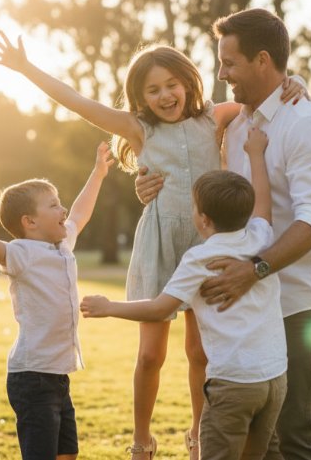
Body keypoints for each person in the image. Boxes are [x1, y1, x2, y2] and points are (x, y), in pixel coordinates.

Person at [0, 32, 308, 459]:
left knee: (200, 351)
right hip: (159, 243)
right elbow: (81, 104)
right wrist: (26, 68)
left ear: (188, 82)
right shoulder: (139, 129)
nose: (165, 95)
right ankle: (142, 439)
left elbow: (261, 100)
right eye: (152, 90)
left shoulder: (214, 117)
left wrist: (296, 80)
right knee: (151, 355)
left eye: (171, 85)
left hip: (206, 243)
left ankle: (198, 435)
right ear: (139, 97)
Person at [136, 8, 311, 460]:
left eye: (229, 63)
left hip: (301, 301)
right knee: (262, 443)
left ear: (263, 60)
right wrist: (148, 183)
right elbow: (199, 181)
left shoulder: (305, 123)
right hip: (255, 307)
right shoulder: (237, 125)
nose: (221, 73)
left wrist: (255, 269)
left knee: (296, 433)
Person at [82, 127, 287, 460]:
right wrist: (255, 155)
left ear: (202, 220)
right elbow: (263, 201)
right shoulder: (260, 236)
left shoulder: (200, 258)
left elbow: (160, 307)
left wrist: (109, 307)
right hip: (275, 378)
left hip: (232, 384)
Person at [0, 143, 115, 460]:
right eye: (54, 206)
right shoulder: (21, 253)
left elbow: (81, 212)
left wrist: (98, 172)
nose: (63, 210)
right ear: (30, 222)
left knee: (67, 453)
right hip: (32, 378)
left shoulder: (62, 243)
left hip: (57, 376)